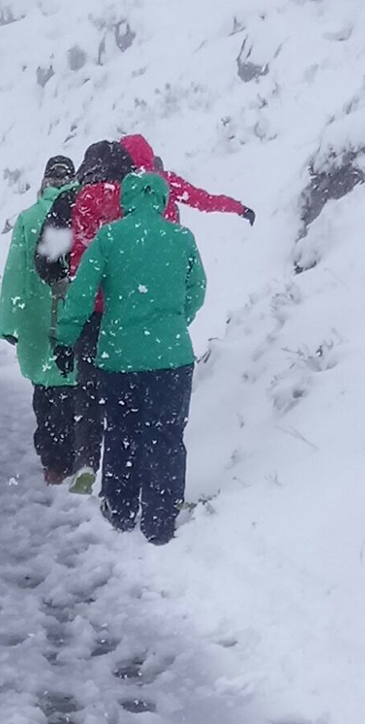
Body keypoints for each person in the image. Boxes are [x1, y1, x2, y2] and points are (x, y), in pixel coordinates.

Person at [56, 173, 207, 545]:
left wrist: (66, 338)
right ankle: (161, 517)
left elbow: (82, 292)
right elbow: (198, 289)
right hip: (172, 358)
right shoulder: (181, 238)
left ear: (125, 199)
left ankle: (121, 511)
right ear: (162, 199)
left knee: (122, 433)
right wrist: (174, 320)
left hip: (120, 357)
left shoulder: (109, 238)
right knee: (167, 435)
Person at [35, 140, 135, 494]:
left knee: (88, 391)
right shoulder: (134, 198)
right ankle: (123, 472)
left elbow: (46, 258)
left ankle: (87, 461)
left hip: (87, 311)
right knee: (126, 395)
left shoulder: (70, 200)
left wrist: (65, 282)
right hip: (131, 312)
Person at [0, 156, 78, 485]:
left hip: (34, 318)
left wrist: (8, 323)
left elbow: (16, 273)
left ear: (44, 181)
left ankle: (52, 462)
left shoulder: (29, 219)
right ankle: (75, 457)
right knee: (73, 393)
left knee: (45, 396)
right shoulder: (81, 211)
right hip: (73, 315)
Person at [120, 134, 256, 226]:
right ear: (149, 154)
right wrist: (239, 209)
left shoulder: (119, 189)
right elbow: (205, 201)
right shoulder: (166, 181)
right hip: (169, 250)